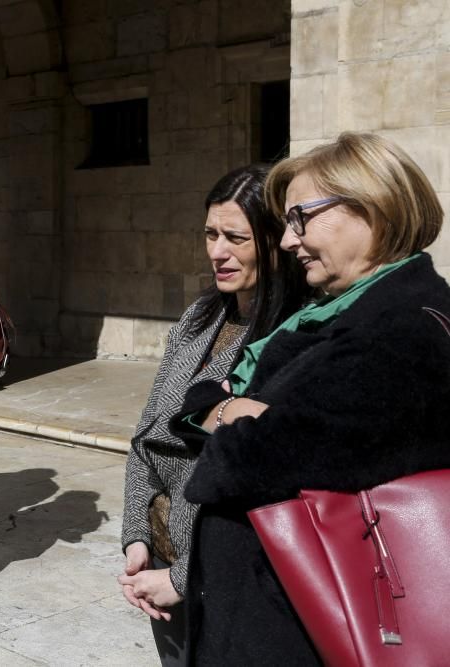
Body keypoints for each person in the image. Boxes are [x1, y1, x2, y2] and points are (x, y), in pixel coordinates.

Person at [169, 132, 450, 665]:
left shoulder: (401, 332)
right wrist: (227, 408)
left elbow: (234, 465)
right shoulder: (345, 314)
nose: (288, 240)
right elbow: (202, 410)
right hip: (277, 613)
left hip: (306, 629)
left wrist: (222, 412)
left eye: (301, 218)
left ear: (373, 210)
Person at [118, 165, 308, 665]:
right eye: (210, 234)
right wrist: (137, 536)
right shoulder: (200, 316)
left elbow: (258, 489)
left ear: (275, 241)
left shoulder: (289, 339)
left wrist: (184, 578)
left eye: (235, 238)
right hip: (161, 558)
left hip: (224, 576)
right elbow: (145, 436)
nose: (217, 252)